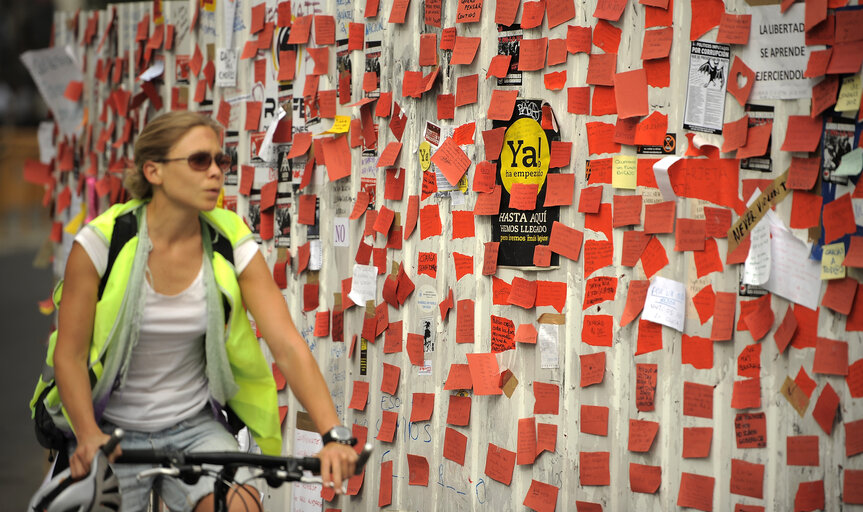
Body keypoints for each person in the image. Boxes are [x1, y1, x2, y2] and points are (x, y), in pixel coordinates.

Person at [51, 111, 357, 511]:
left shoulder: (230, 240)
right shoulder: (101, 243)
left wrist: (332, 434)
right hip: (108, 429)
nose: (215, 172)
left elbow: (286, 345)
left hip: (193, 427)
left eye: (221, 161)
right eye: (199, 161)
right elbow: (69, 356)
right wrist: (89, 435)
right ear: (154, 171)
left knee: (241, 505)